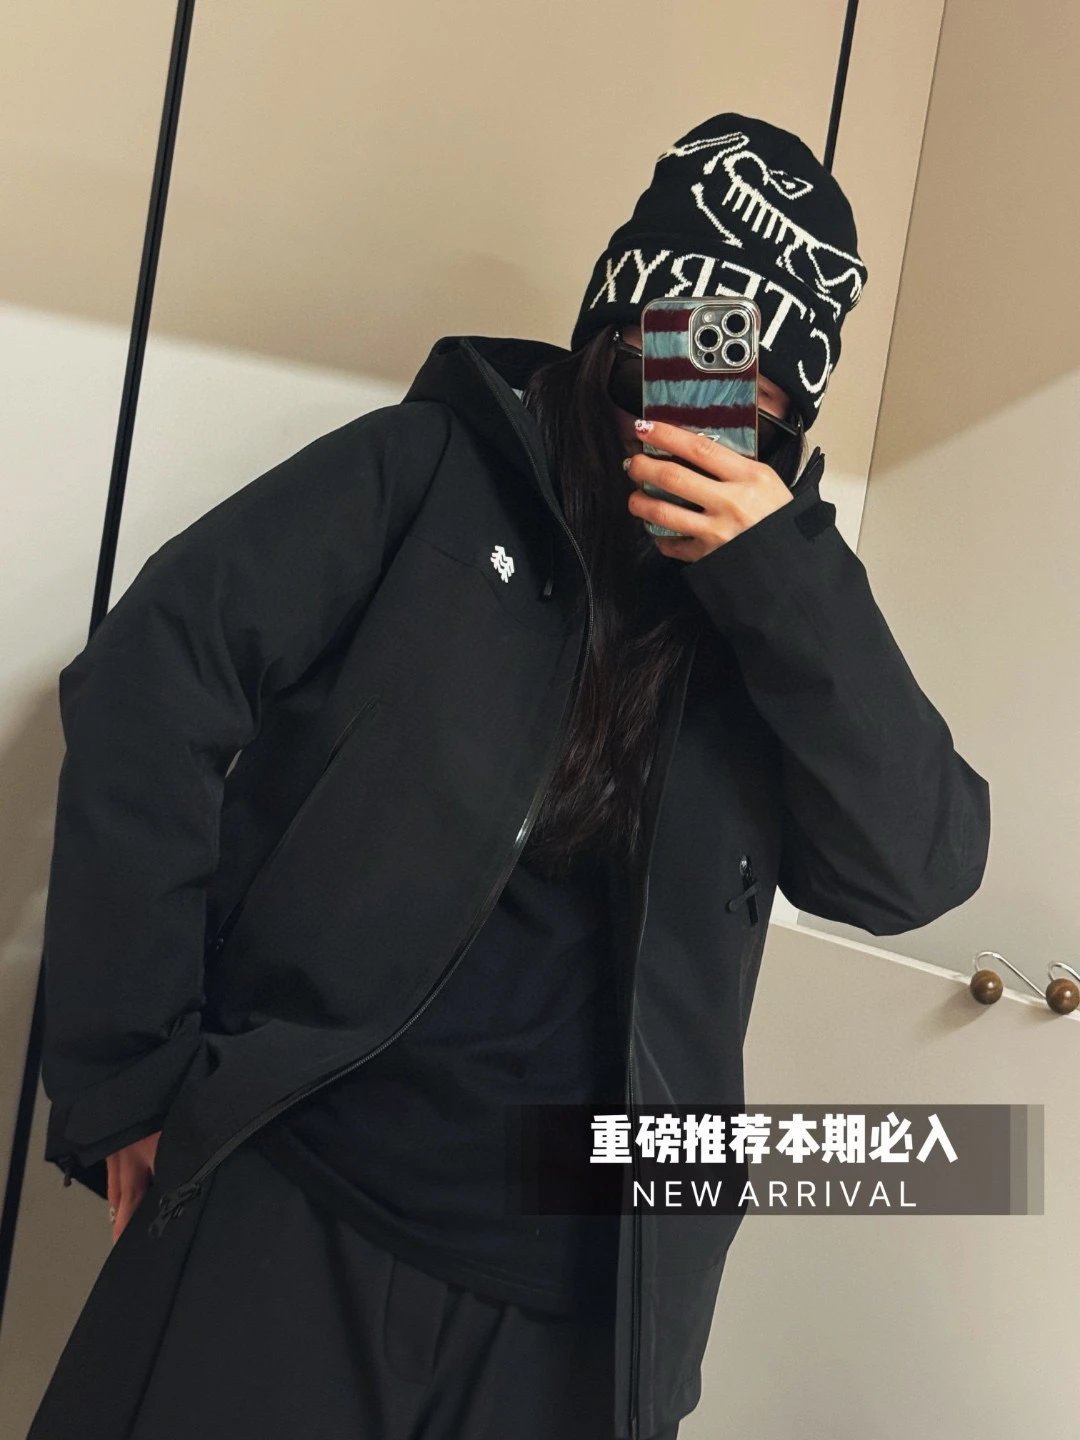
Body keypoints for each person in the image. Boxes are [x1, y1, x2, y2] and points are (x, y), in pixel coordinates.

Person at [29, 113, 990, 1440]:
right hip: (302, 1202)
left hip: (587, 1316)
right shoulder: (429, 474)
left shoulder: (778, 623)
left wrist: (785, 575)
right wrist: (128, 1076)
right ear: (614, 326)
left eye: (762, 399)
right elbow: (152, 680)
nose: (709, 410)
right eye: (684, 352)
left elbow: (919, 866)